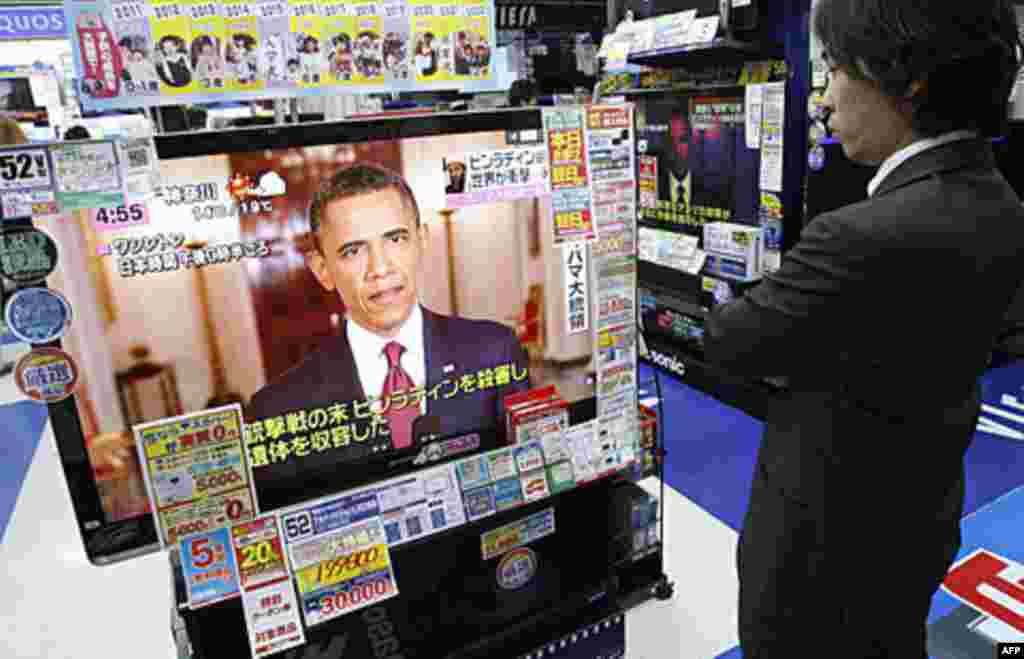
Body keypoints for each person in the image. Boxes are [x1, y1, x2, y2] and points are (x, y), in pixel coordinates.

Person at [702, 2, 1024, 657]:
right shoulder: (1003, 203)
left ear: (904, 79)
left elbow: (729, 338)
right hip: (922, 514)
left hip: (820, 553)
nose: (823, 98)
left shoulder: (856, 238)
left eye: (836, 70)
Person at [246, 164, 530, 477]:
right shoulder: (276, 409)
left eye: (395, 239)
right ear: (322, 270)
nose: (380, 268)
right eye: (353, 251)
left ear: (421, 241)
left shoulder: (495, 351)